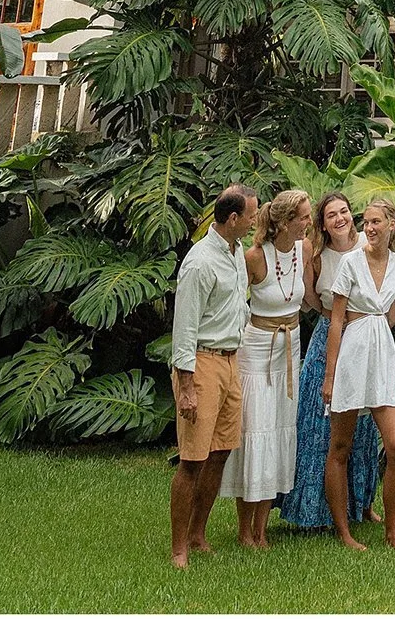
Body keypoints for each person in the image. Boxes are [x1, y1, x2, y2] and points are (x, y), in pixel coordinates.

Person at [277, 191, 384, 535]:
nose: (340, 219)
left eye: (344, 212)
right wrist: (327, 313)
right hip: (328, 339)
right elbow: (308, 295)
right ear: (322, 223)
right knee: (318, 427)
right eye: (331, 215)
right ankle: (312, 507)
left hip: (363, 336)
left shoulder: (366, 247)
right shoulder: (317, 254)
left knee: (364, 427)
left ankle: (362, 503)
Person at [168, 184, 256, 569]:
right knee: (192, 459)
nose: (255, 222)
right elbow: (184, 328)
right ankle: (178, 550)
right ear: (233, 219)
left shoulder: (236, 254)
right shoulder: (200, 261)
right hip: (201, 365)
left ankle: (198, 534)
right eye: (251, 216)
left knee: (219, 453)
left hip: (231, 362)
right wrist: (186, 387)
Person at [221, 187, 310, 548]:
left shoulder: (304, 250)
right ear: (286, 222)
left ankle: (262, 527)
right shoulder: (255, 256)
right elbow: (232, 301)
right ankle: (245, 530)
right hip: (258, 348)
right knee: (255, 432)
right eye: (304, 217)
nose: (309, 222)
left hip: (291, 346)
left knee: (278, 429)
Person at [323, 197, 395, 551]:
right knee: (340, 446)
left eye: (376, 222)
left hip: (383, 354)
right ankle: (344, 532)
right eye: (366, 222)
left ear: (391, 225)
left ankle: (392, 533)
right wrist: (330, 375)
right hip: (353, 353)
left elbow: (389, 313)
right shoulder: (350, 263)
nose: (369, 228)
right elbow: (336, 320)